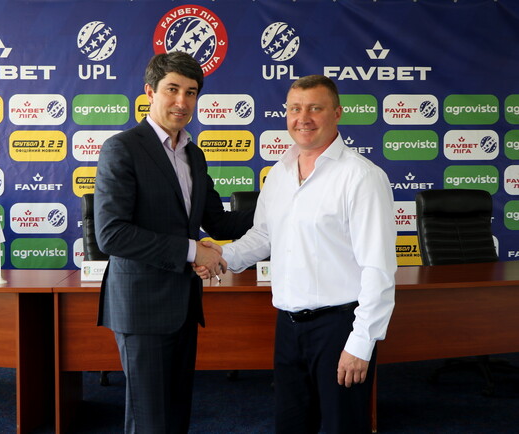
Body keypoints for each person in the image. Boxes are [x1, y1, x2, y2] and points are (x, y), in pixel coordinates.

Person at [196, 75, 396, 433]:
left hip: (340, 328)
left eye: (315, 108)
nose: (303, 118)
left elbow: (378, 268)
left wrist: (361, 342)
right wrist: (221, 256)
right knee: (291, 425)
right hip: (288, 328)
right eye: (295, 109)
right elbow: (264, 235)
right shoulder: (279, 173)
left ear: (337, 113)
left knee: (342, 427)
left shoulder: (362, 177)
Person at [94, 51, 254, 434]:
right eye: (172, 89)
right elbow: (111, 233)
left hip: (183, 305)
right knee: (150, 421)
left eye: (191, 92)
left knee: (176, 415)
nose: (182, 101)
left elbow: (219, 221)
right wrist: (193, 250)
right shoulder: (123, 148)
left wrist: (285, 201)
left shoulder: (193, 154)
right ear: (150, 92)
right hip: (142, 307)